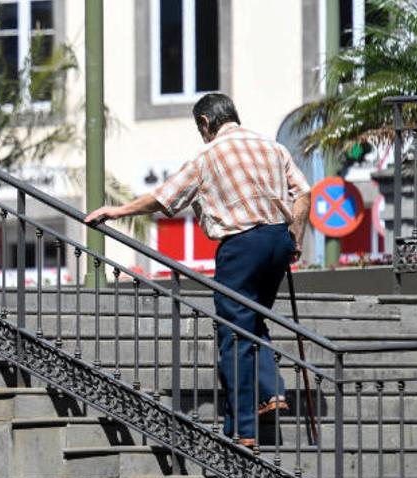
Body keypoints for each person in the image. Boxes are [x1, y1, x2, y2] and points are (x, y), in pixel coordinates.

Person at [84, 93, 311, 447]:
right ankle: (271, 390)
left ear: (205, 124)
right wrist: (295, 237)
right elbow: (304, 193)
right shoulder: (272, 147)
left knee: (233, 333)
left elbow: (164, 198)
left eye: (199, 129)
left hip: (242, 245)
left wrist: (116, 212)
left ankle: (244, 430)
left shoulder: (208, 155)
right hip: (277, 240)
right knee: (253, 318)